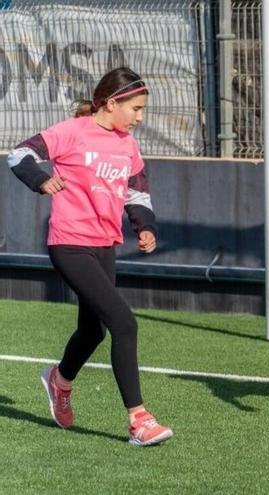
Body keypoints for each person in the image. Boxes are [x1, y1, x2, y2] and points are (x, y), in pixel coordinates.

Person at [6, 67, 173, 446]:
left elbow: (137, 193)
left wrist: (145, 226)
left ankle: (59, 380)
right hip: (69, 243)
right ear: (112, 103)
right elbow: (19, 155)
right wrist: (41, 178)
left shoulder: (128, 145)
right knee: (124, 323)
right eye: (136, 108)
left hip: (104, 245)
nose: (140, 117)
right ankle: (139, 421)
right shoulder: (72, 130)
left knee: (93, 329)